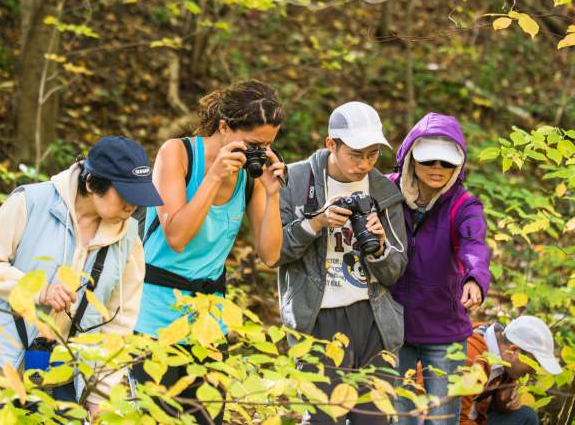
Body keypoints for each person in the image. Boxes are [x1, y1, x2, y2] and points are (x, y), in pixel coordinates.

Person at [0, 136, 161, 419]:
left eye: (137, 198)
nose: (132, 207)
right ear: (91, 183)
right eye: (124, 195)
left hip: (64, 374)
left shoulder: (129, 240)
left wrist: (100, 393)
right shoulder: (30, 202)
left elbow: (119, 320)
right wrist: (37, 290)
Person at [132, 79, 286, 424]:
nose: (257, 153)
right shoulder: (178, 153)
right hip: (153, 315)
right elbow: (176, 236)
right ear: (223, 126)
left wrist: (273, 194)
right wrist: (213, 177)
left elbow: (271, 254)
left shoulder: (250, 175)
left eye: (267, 146)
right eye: (252, 143)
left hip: (208, 321)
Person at [276, 101, 408, 425]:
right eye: (356, 154)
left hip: (374, 318)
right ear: (331, 144)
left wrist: (378, 248)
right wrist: (316, 223)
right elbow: (274, 252)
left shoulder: (383, 189)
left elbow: (396, 270)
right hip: (318, 317)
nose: (364, 164)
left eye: (373, 154)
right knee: (323, 417)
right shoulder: (294, 181)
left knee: (373, 418)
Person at [389, 113, 491, 425]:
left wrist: (475, 278)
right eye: (429, 160)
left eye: (446, 163)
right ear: (410, 158)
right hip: (396, 329)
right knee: (399, 418)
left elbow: (475, 243)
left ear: (458, 166)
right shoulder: (387, 192)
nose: (437, 169)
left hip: (444, 331)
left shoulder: (464, 205)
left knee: (442, 419)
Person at [460, 316, 561, 425]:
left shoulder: (504, 360)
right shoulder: (470, 359)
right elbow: (453, 419)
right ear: (514, 350)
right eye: (533, 363)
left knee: (526, 416)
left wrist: (502, 401)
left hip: (472, 417)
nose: (534, 371)